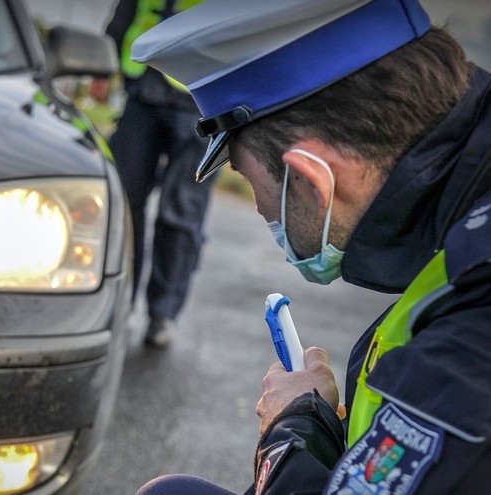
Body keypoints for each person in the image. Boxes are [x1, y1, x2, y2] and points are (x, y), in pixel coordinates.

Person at [127, 0, 491, 493]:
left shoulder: (469, 346)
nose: (259, 209)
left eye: (245, 175)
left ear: (310, 179)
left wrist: (293, 427)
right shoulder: (464, 223)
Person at [98, 0, 215, 348]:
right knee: (122, 202)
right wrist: (104, 64)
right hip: (143, 93)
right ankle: (121, 302)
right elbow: (129, 8)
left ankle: (162, 313)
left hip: (199, 99)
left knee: (180, 211)